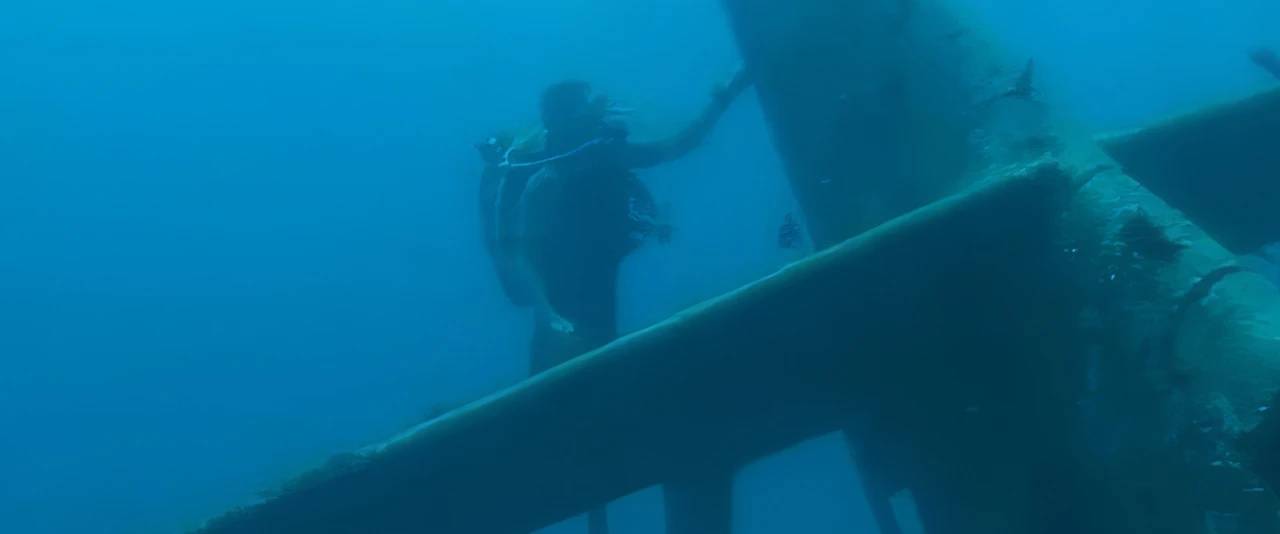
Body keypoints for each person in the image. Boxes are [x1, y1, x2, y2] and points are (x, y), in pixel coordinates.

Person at [476, 65, 752, 372]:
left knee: (585, 353)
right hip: (566, 324)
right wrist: (546, 311)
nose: (603, 118)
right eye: (589, 109)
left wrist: (727, 96)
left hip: (576, 320)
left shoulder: (596, 159)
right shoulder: (552, 179)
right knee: (579, 356)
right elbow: (518, 252)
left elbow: (678, 144)